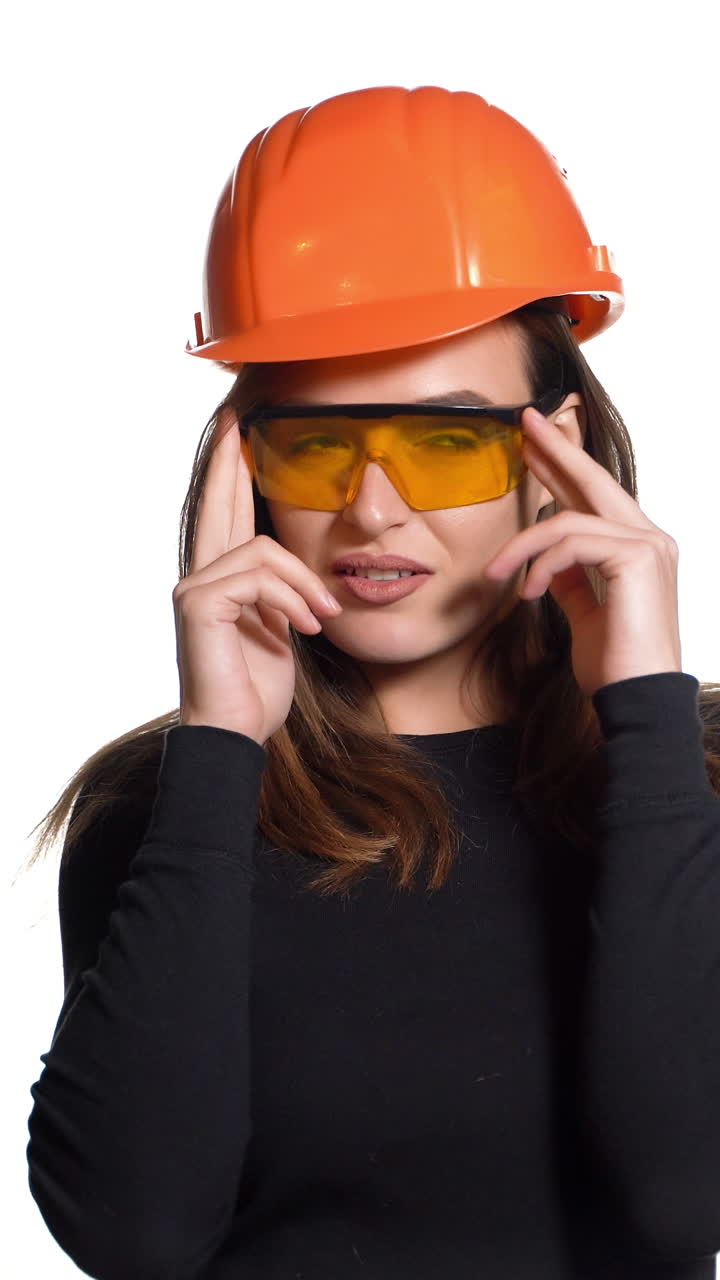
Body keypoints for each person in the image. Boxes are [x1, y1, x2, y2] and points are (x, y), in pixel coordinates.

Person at [24, 85, 720, 1279]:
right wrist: (218, 755)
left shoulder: (691, 771)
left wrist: (645, 714)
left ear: (555, 455)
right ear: (250, 467)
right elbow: (135, 1234)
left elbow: (689, 1200)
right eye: (319, 442)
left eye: (448, 438)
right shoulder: (166, 800)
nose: (372, 508)